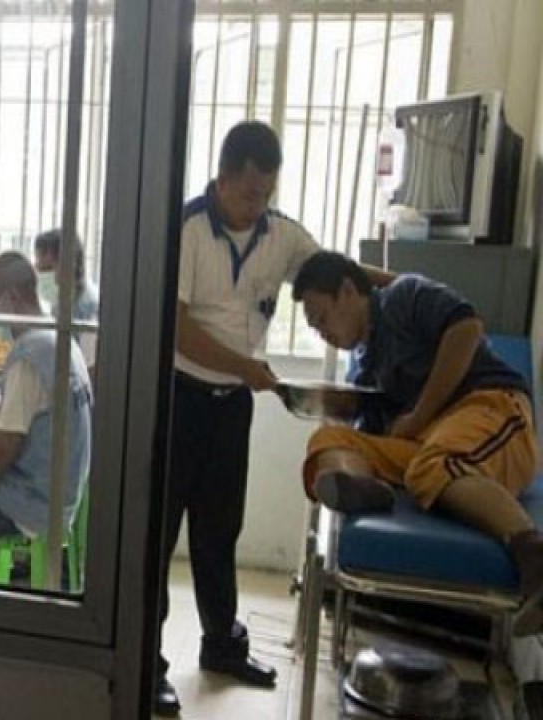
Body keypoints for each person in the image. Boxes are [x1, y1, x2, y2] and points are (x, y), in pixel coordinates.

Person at [157, 120, 393, 717]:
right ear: (223, 178)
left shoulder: (280, 234)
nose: (256, 205)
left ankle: (221, 645)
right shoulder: (185, 229)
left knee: (219, 528)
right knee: (157, 534)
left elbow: (337, 276)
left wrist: (408, 289)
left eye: (265, 194)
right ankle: (147, 661)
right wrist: (245, 365)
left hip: (231, 405)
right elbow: (177, 328)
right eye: (247, 194)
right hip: (177, 396)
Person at [293, 251, 543, 635]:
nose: (321, 332)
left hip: (491, 409)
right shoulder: (367, 361)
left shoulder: (403, 296)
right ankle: (360, 487)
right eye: (313, 327)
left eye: (321, 318)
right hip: (432, 441)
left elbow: (466, 329)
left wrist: (420, 415)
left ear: (347, 291)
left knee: (433, 466)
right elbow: (381, 434)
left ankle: (536, 559)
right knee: (329, 437)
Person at [0, 251, 93, 566]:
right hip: (60, 495)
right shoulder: (61, 340)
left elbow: (4, 450)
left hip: (31, 504)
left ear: (13, 297)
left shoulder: (29, 357)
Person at [33, 228, 100, 369]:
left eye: (47, 269)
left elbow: (89, 366)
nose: (41, 276)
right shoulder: (61, 302)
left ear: (68, 264)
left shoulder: (88, 307)